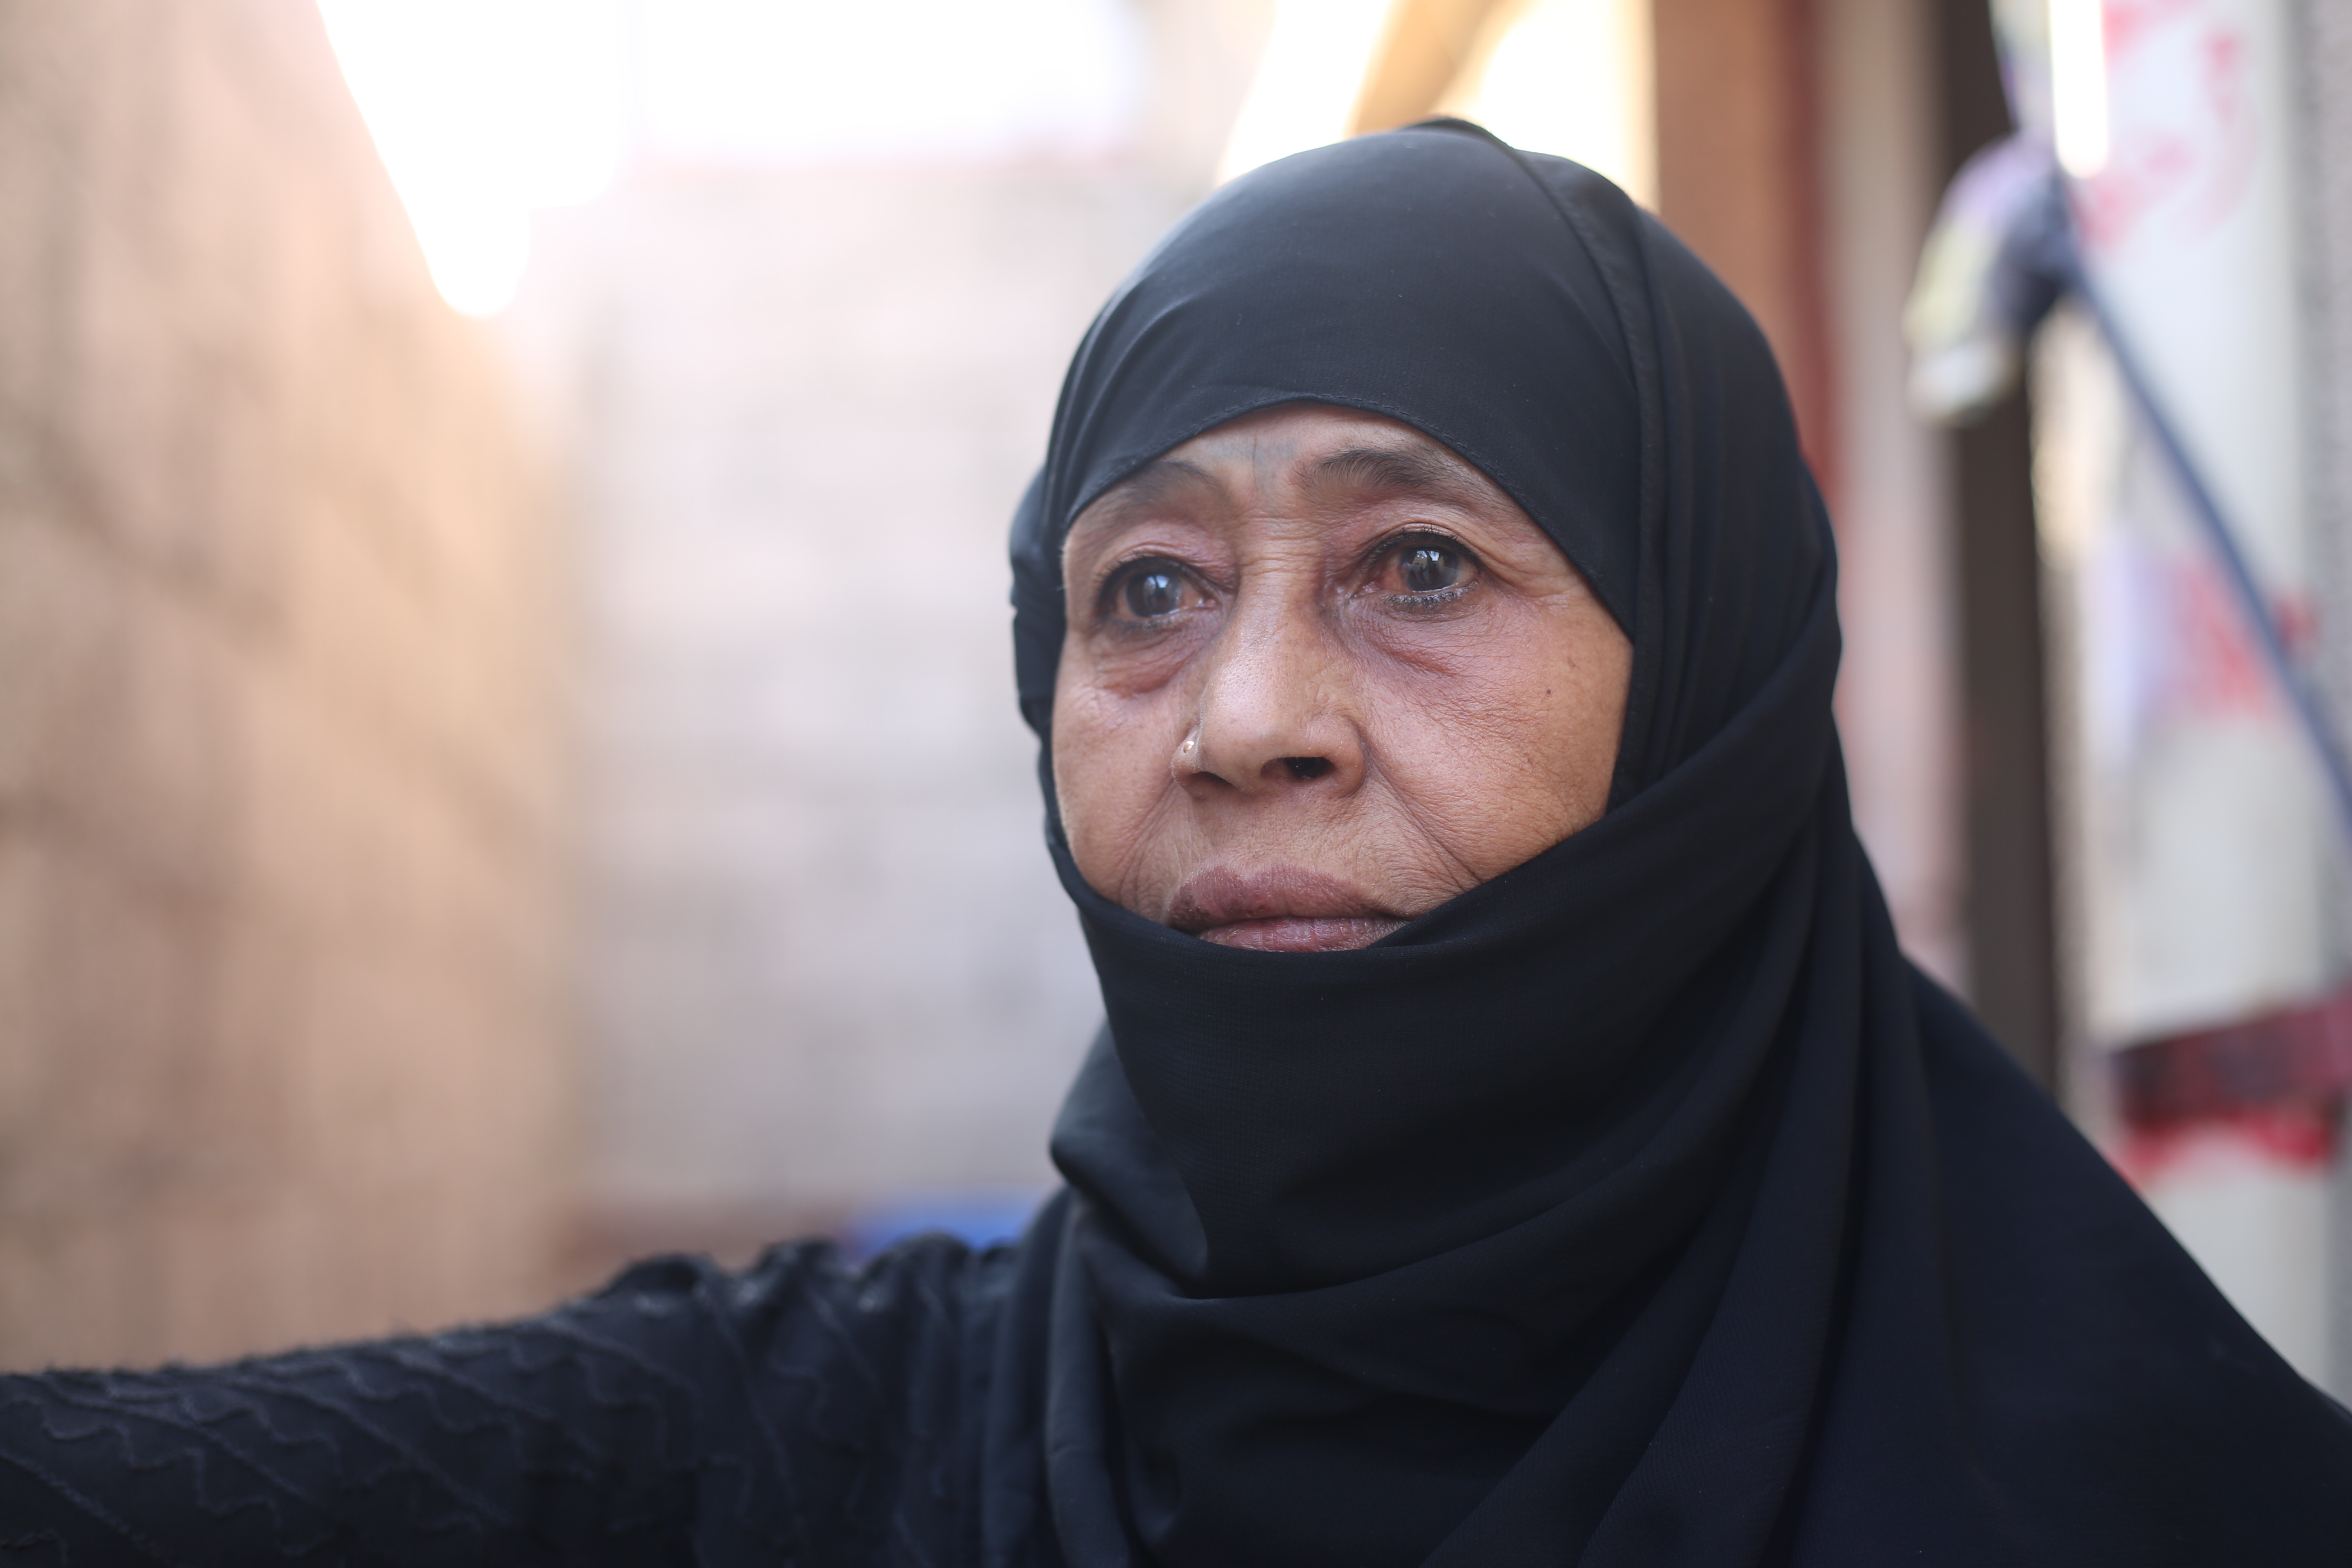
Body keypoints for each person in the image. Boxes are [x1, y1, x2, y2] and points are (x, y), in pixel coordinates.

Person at [0, 119, 2345, 1567]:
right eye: (1145, 595)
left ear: (1707, 690)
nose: (1246, 724)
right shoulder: (847, 1449)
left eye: (1418, 565)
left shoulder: (2169, 1509)